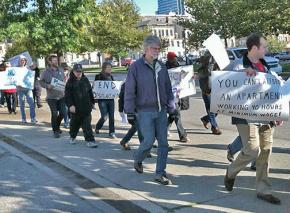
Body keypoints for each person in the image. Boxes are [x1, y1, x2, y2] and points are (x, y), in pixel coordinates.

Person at [224, 33, 281, 204]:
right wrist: (242, 74)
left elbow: (272, 90)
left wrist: (278, 113)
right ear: (254, 48)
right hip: (245, 115)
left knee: (265, 152)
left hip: (266, 115)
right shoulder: (237, 64)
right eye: (264, 46)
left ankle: (263, 190)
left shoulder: (265, 66)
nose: (266, 49)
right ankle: (231, 171)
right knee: (252, 149)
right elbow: (221, 81)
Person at [125, 35, 175, 185]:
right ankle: (138, 158)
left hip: (161, 110)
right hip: (144, 111)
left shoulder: (161, 66)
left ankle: (160, 173)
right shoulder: (135, 67)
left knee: (163, 143)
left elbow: (168, 88)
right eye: (154, 48)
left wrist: (171, 106)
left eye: (159, 49)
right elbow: (129, 90)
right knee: (148, 141)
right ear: (146, 49)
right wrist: (129, 111)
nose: (157, 51)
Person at [65, 64, 98, 148]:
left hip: (86, 107)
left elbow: (90, 92)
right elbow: (68, 96)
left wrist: (92, 102)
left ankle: (90, 140)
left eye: (80, 71)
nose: (79, 73)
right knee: (74, 125)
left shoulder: (85, 80)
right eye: (77, 71)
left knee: (87, 125)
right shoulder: (70, 82)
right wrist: (71, 105)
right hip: (76, 108)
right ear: (73, 72)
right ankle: (72, 136)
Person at [166, 52, 190, 143]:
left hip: (177, 94)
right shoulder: (166, 69)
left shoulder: (177, 66)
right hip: (171, 96)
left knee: (172, 115)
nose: (175, 59)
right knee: (177, 115)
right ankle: (183, 135)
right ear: (169, 59)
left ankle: (163, 132)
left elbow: (183, 76)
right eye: (173, 58)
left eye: (175, 58)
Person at [40, 55, 66, 138]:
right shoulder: (45, 72)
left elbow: (64, 79)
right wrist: (47, 86)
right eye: (54, 60)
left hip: (61, 96)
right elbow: (41, 82)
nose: (56, 62)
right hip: (51, 97)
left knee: (63, 113)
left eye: (56, 60)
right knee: (54, 113)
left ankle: (57, 127)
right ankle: (55, 131)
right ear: (50, 62)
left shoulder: (61, 70)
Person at [198, 54, 221, 135]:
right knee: (211, 109)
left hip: (214, 89)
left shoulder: (214, 67)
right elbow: (206, 78)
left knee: (217, 109)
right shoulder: (204, 69)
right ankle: (215, 127)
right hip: (207, 90)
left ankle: (205, 119)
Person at [94, 62, 117, 139]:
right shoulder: (98, 76)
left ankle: (112, 132)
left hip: (110, 99)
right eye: (108, 67)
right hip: (102, 100)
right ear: (104, 68)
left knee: (111, 116)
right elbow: (95, 88)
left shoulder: (111, 76)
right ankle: (98, 127)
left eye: (110, 68)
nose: (110, 69)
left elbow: (113, 87)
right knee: (104, 116)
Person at [17, 55, 37, 124]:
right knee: (22, 104)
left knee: (31, 103)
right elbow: (13, 79)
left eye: (24, 60)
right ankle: (23, 118)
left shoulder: (28, 68)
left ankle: (33, 118)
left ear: (25, 61)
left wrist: (33, 61)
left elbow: (34, 66)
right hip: (20, 89)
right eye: (21, 60)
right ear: (19, 61)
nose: (23, 61)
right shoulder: (16, 69)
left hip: (28, 88)